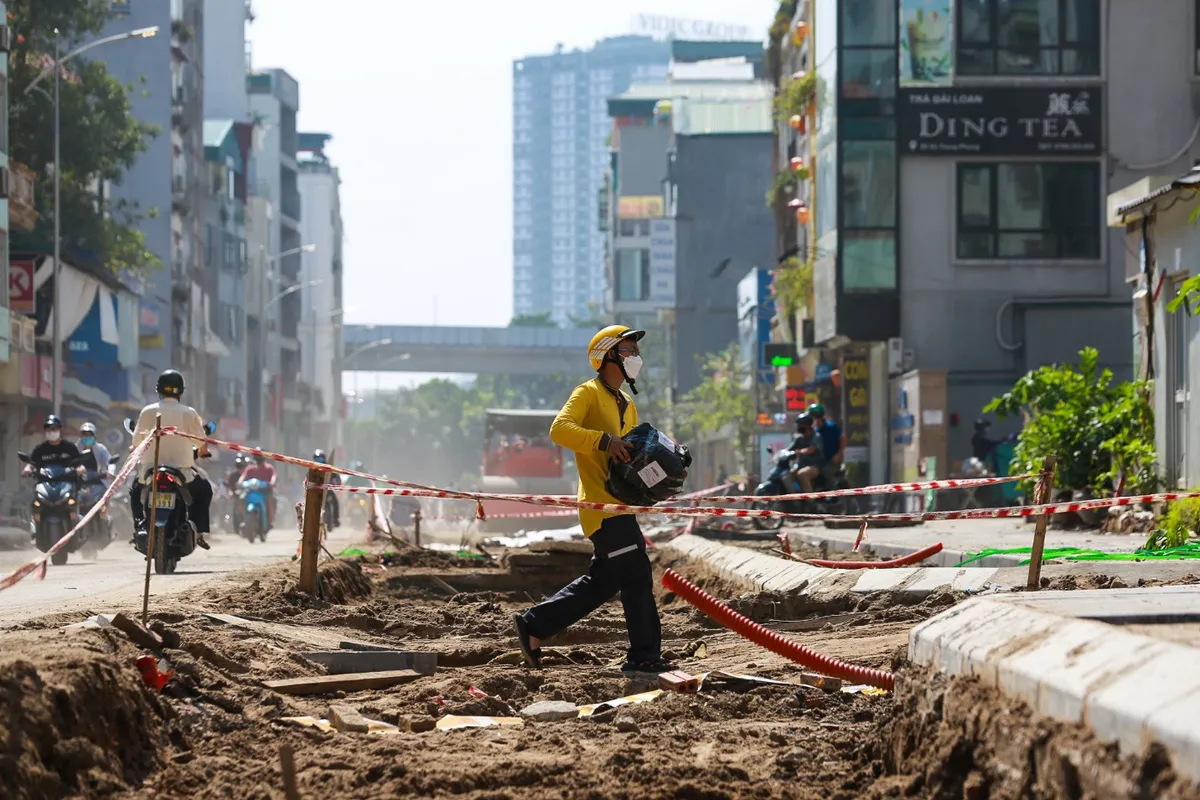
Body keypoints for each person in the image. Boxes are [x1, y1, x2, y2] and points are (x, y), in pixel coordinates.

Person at [512, 324, 675, 676]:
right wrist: (604, 441)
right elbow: (559, 429)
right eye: (629, 350)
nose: (636, 357)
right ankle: (644, 656)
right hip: (600, 507)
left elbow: (630, 459)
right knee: (636, 576)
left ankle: (534, 626)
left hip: (620, 505)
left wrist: (658, 479)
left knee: (603, 581)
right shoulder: (587, 392)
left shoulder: (626, 402)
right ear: (608, 355)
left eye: (635, 351)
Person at [129, 369, 213, 550]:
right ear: (181, 391)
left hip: (150, 470)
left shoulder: (147, 411)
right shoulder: (188, 413)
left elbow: (136, 441)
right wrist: (203, 451)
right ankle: (197, 530)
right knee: (204, 489)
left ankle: (138, 526)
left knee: (135, 491)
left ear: (158, 390)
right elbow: (201, 442)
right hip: (182, 472)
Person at [24, 415, 89, 474]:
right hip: (45, 483)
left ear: (60, 429)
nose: (51, 432)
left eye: (54, 428)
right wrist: (28, 468)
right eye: (48, 429)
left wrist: (81, 468)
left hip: (66, 482)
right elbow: (32, 463)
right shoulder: (39, 449)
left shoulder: (70, 447)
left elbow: (78, 463)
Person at [786, 413, 826, 493]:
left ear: (807, 425)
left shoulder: (816, 436)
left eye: (801, 425)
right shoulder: (799, 439)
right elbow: (789, 449)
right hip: (801, 465)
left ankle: (811, 502)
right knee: (787, 475)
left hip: (815, 466)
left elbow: (811, 449)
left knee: (802, 474)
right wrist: (784, 453)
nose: (799, 427)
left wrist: (799, 452)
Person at [238, 454, 278, 531]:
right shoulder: (250, 468)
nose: (258, 459)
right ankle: (243, 519)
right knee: (241, 499)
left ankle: (270, 521)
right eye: (257, 457)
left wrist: (272, 482)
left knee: (270, 501)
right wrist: (240, 482)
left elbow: (274, 476)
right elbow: (243, 477)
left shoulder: (269, 468)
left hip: (265, 491)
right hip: (251, 491)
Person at [314, 449, 340, 528]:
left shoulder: (328, 467)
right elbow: (307, 479)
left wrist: (336, 482)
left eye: (320, 458)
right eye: (317, 458)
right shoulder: (312, 467)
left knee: (335, 502)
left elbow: (336, 476)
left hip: (328, 490)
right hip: (316, 491)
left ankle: (335, 519)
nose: (319, 460)